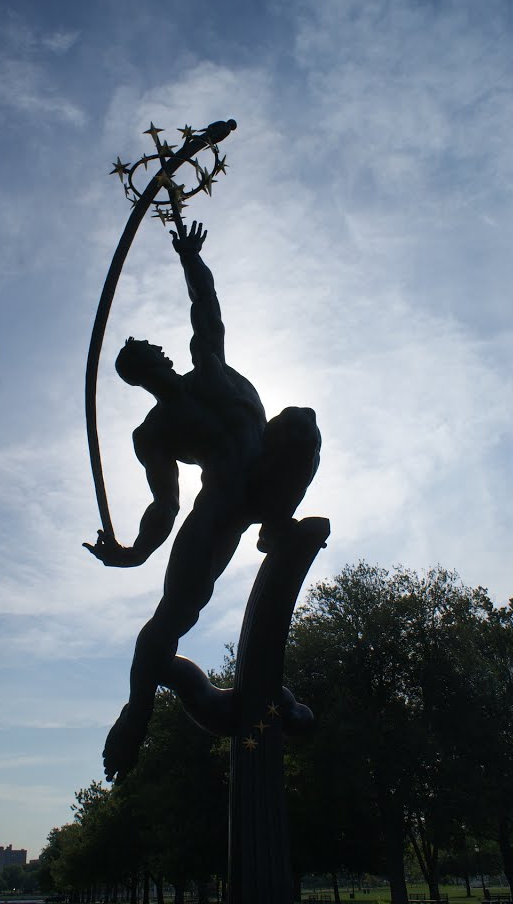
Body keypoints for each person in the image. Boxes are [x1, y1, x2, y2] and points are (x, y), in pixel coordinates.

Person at [84, 220, 321, 781]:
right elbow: (164, 504)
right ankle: (137, 713)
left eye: (155, 352)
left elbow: (206, 307)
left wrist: (190, 258)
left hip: (263, 482)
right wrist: (136, 553)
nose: (160, 356)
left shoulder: (209, 370)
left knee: (301, 424)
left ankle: (276, 525)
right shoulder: (154, 434)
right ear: (139, 376)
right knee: (160, 631)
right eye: (146, 359)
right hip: (218, 510)